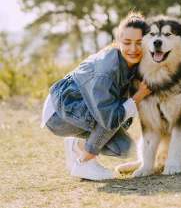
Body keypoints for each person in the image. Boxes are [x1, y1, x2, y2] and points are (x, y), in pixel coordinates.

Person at [40, 12, 151, 181]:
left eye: (139, 43)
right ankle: (84, 162)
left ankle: (77, 147)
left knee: (123, 147)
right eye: (127, 43)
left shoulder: (133, 62)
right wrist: (139, 96)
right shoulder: (106, 70)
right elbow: (110, 119)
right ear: (119, 41)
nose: (133, 49)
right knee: (114, 116)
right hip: (58, 114)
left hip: (78, 109)